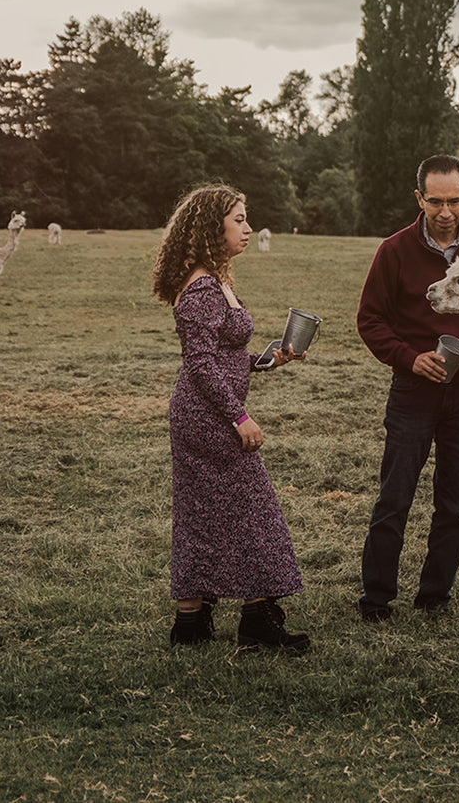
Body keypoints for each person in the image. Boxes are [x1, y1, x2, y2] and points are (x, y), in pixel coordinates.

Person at [150, 184, 310, 650]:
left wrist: (268, 360)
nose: (248, 228)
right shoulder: (201, 288)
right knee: (254, 513)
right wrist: (240, 417)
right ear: (210, 227)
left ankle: (191, 623)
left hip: (207, 412)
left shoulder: (216, 279)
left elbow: (223, 355)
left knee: (202, 515)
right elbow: (200, 364)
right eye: (238, 220)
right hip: (207, 419)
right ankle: (258, 621)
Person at [355, 154, 459, 622]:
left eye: (454, 201)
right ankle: (376, 599)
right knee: (395, 496)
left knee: (454, 502)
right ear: (419, 198)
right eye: (435, 201)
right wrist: (409, 358)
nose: (445, 211)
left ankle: (435, 597)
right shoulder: (393, 250)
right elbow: (370, 320)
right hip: (413, 392)